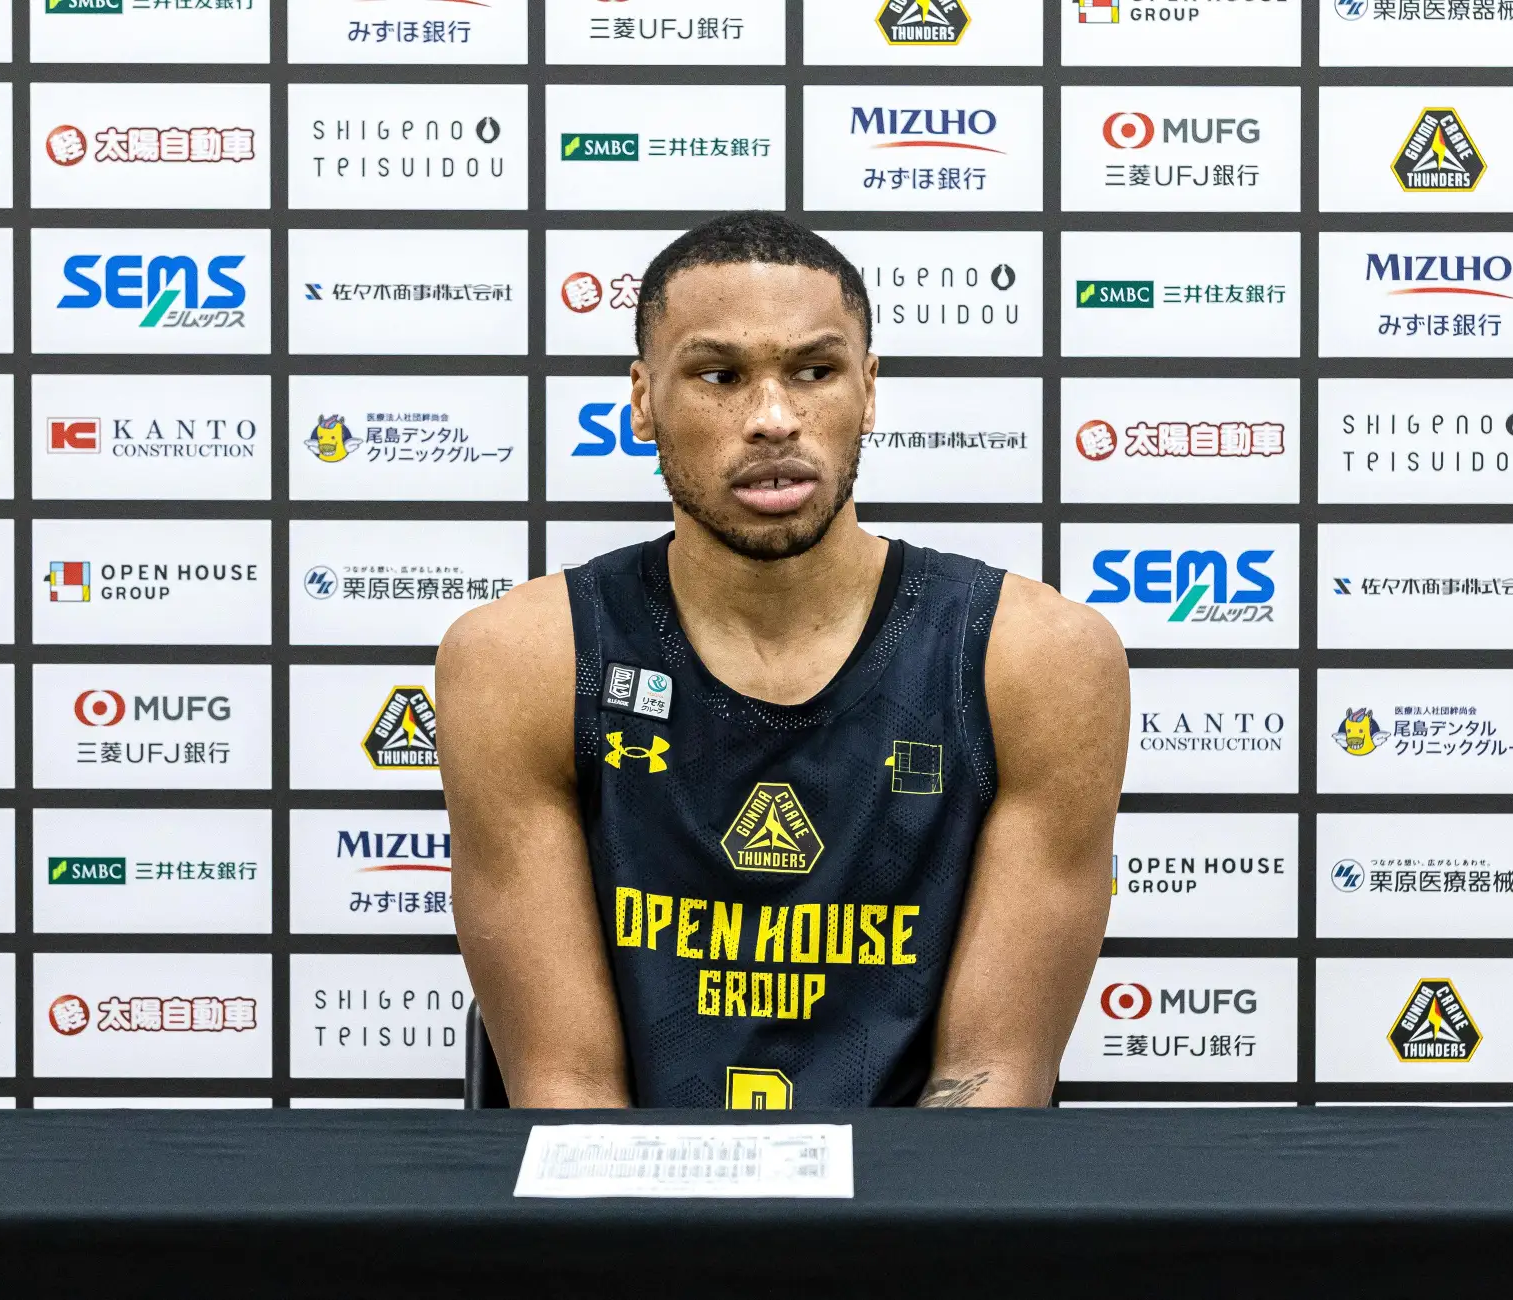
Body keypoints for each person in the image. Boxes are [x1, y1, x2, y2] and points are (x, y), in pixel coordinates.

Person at [436, 212, 1128, 1109]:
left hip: (921, 1194)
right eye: (718, 376)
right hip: (625, 1196)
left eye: (814, 371)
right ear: (642, 401)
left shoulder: (1035, 659)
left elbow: (988, 1081)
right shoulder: (521, 660)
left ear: (868, 391)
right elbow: (567, 1089)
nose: (772, 420)